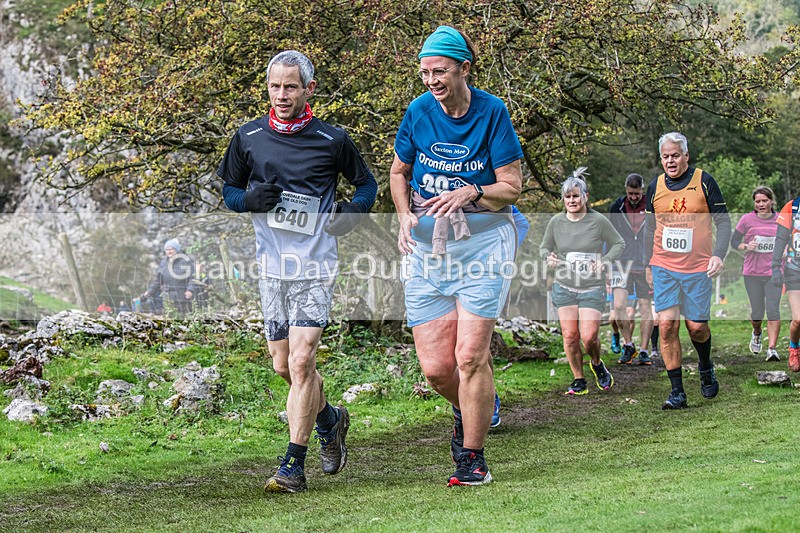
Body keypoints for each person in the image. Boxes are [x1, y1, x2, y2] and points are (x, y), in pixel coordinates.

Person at [217, 50, 377, 493]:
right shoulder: (248, 137)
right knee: (283, 365)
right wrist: (247, 201)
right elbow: (229, 190)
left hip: (316, 263)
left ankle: (292, 466)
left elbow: (366, 184)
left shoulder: (332, 139)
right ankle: (330, 419)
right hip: (272, 265)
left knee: (303, 361)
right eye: (275, 86)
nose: (282, 94)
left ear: (309, 89)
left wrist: (353, 213)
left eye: (291, 86)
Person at [390, 26, 522, 486]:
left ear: (464, 68)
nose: (432, 80)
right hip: (426, 252)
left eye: (440, 71)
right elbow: (399, 171)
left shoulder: (492, 112)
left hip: (483, 246)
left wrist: (472, 191)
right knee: (436, 369)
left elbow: (511, 187)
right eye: (425, 72)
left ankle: (472, 457)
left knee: (469, 357)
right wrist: (404, 216)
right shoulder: (418, 111)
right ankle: (473, 406)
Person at [645, 132, 731, 409]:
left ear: (686, 155)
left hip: (697, 268)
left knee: (697, 327)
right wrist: (647, 264)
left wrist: (718, 255)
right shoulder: (655, 187)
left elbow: (723, 222)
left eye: (675, 155)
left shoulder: (704, 181)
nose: (670, 161)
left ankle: (705, 365)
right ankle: (677, 392)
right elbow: (648, 229)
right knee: (667, 325)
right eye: (665, 156)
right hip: (664, 266)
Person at [540, 169, 624, 396]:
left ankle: (596, 363)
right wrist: (548, 258)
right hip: (564, 285)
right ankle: (579, 379)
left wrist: (605, 261)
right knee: (570, 336)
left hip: (592, 287)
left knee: (588, 337)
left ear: (585, 197)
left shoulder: (598, 221)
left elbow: (619, 243)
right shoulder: (556, 222)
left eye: (576, 196)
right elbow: (544, 247)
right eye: (567, 197)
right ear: (563, 199)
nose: (572, 201)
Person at [609, 173, 655, 365]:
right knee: (619, 307)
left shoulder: (651, 207)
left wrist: (652, 263)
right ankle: (628, 344)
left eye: (637, 193)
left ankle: (644, 350)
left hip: (645, 264)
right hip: (621, 264)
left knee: (645, 307)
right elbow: (609, 237)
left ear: (642, 190)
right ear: (626, 190)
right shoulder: (617, 207)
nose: (634, 197)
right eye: (630, 193)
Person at [731, 187, 781, 361]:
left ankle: (772, 349)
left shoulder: (781, 220)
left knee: (773, 309)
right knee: (758, 311)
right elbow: (734, 241)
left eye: (764, 200)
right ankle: (757, 332)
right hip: (752, 272)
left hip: (774, 271)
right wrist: (746, 246)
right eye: (757, 201)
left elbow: (789, 241)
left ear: (771, 201)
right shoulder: (746, 219)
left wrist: (784, 250)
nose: (761, 204)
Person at [770, 194, 800, 372]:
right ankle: (794, 348)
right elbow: (780, 239)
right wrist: (775, 268)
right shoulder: (792, 207)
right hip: (794, 270)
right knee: (798, 319)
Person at [142, 239, 198, 315]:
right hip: (167, 299)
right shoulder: (163, 263)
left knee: (182, 319)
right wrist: (149, 291)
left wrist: (190, 290)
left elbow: (193, 277)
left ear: (177, 250)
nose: (169, 251)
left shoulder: (185, 261)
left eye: (171, 249)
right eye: (167, 249)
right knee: (169, 319)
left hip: (183, 298)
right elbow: (158, 281)